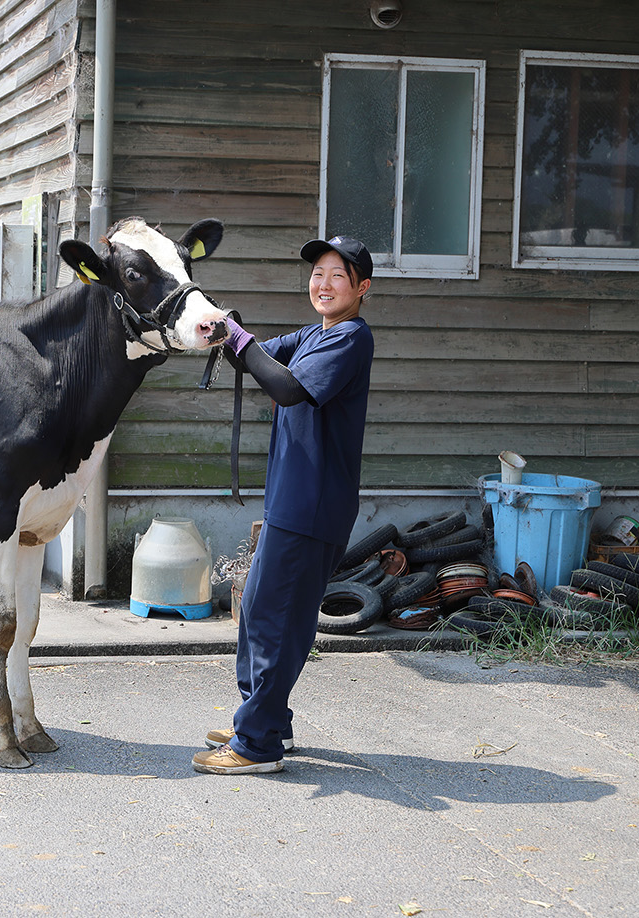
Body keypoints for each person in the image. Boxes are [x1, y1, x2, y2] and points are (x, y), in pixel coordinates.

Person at [191, 235, 375, 775]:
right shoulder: (317, 334)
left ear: (361, 288)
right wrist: (225, 332)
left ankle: (257, 745)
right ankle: (264, 718)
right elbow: (263, 357)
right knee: (256, 611)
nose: (322, 283)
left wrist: (243, 344)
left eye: (337, 276)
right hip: (290, 500)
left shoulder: (349, 340)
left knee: (276, 619)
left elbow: (288, 388)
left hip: (313, 505)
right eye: (317, 273)